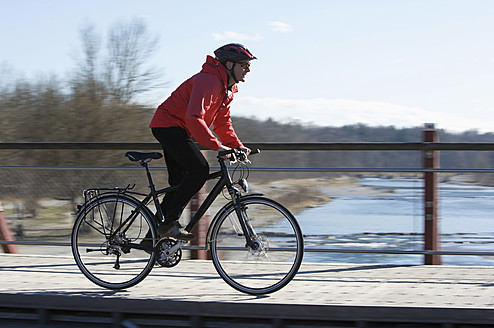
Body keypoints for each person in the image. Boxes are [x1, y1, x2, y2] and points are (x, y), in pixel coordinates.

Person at [148, 43, 256, 241]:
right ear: (229, 64)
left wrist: (236, 145)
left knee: (179, 184)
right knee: (199, 169)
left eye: (249, 66)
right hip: (168, 125)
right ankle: (169, 223)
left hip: (180, 129)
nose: (248, 70)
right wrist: (218, 146)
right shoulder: (209, 81)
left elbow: (223, 122)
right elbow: (194, 117)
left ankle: (152, 237)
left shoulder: (227, 89)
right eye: (244, 65)